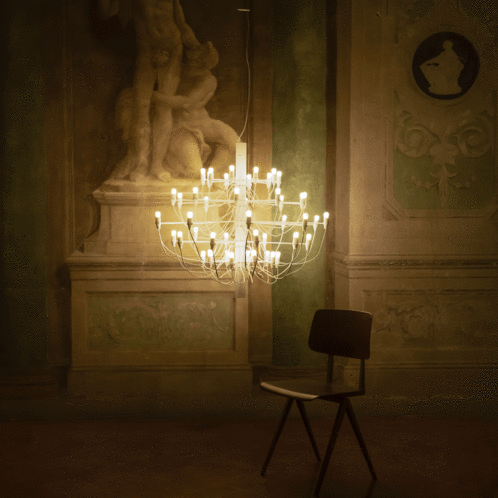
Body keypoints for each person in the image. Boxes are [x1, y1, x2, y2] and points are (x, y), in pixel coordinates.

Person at [100, 0, 200, 182]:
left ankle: (157, 165)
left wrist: (196, 45)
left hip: (173, 46)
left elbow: (181, 24)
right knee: (142, 106)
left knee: (164, 107)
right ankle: (141, 164)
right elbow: (107, 12)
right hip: (147, 47)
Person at [153, 41, 239, 178]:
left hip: (201, 121)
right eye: (194, 56)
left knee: (234, 141)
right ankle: (200, 176)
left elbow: (187, 102)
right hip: (180, 127)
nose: (194, 59)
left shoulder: (208, 79)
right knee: (195, 169)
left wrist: (154, 96)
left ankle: (214, 173)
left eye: (199, 58)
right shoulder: (176, 71)